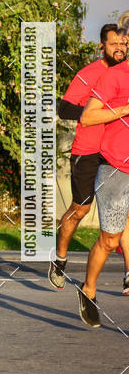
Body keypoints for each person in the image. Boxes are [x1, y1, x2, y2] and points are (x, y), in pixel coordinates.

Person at [49, 24, 128, 290]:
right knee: (81, 207)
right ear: (102, 46)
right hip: (88, 150)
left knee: (124, 214)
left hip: (114, 154)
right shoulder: (89, 73)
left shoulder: (124, 75)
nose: (119, 48)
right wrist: (100, 107)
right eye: (113, 43)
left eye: (123, 43)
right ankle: (60, 257)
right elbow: (64, 108)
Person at [75, 50, 129, 327]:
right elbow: (87, 117)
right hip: (116, 169)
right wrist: (125, 108)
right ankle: (89, 290)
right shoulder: (115, 76)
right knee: (110, 240)